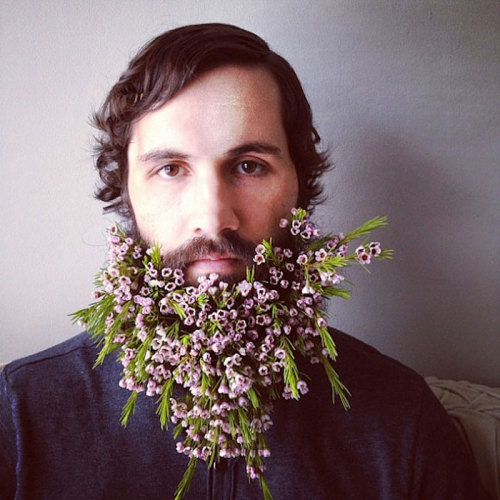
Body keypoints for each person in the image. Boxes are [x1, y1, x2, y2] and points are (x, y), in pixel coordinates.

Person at [0, 23, 489, 499]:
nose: (214, 218)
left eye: (249, 166)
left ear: (298, 180)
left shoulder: (402, 421)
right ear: (126, 188)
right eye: (171, 169)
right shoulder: (19, 415)